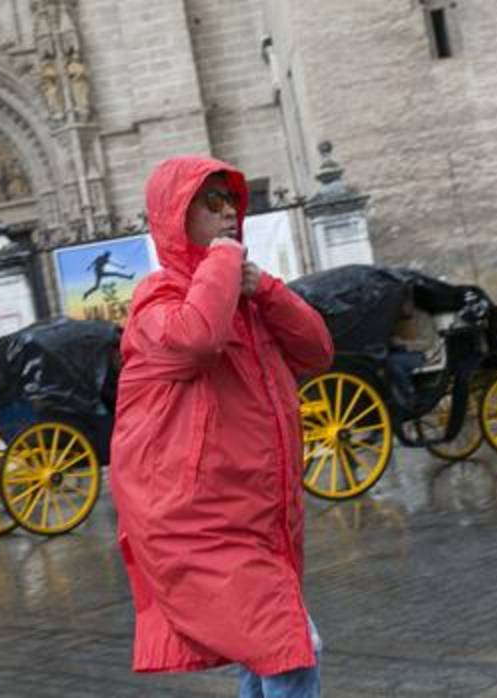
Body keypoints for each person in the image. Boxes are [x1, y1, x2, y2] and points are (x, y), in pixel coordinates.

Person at [109, 156, 334, 696]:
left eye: (230, 200)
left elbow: (318, 350)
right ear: (176, 218)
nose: (229, 212)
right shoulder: (156, 300)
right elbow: (196, 338)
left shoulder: (245, 295)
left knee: (266, 652)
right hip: (200, 519)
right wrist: (225, 259)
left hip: (259, 512)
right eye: (210, 204)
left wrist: (269, 291)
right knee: (287, 652)